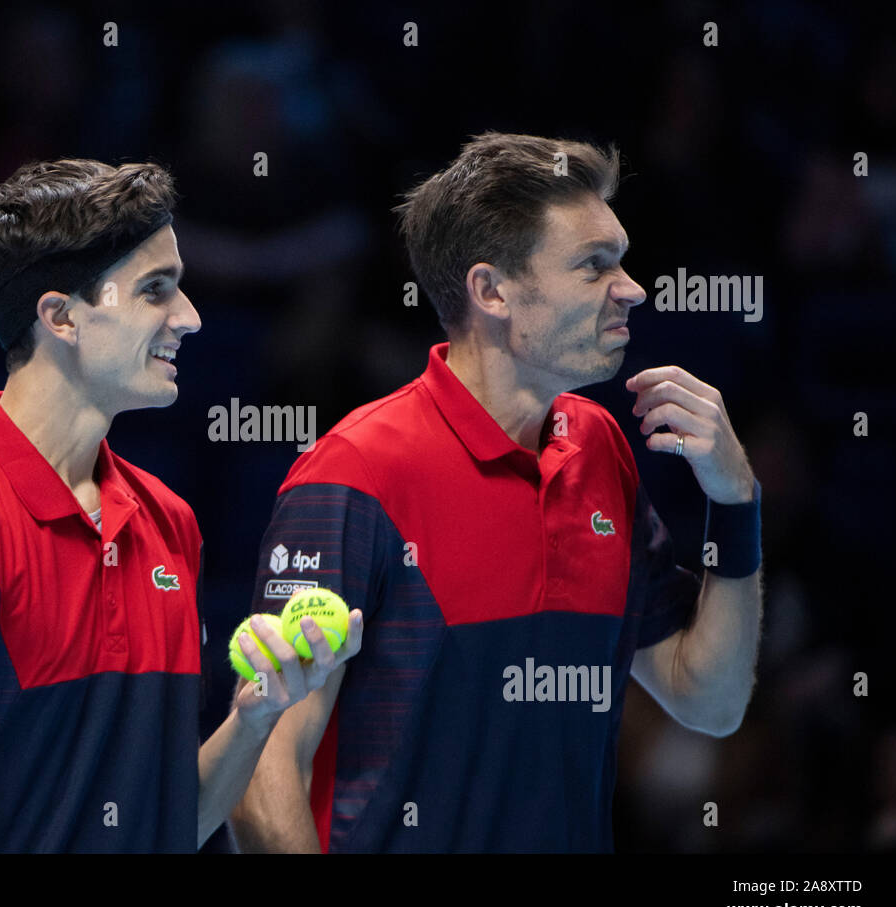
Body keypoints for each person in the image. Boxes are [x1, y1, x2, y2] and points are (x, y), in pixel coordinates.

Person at [230, 132, 763, 853]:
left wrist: (735, 504)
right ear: (491, 291)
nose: (633, 288)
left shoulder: (601, 448)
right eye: (594, 266)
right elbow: (265, 771)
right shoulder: (355, 473)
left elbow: (710, 700)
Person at [0, 158, 361, 853]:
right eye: (155, 291)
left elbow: (170, 823)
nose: (191, 317)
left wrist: (256, 715)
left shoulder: (169, 522)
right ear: (61, 317)